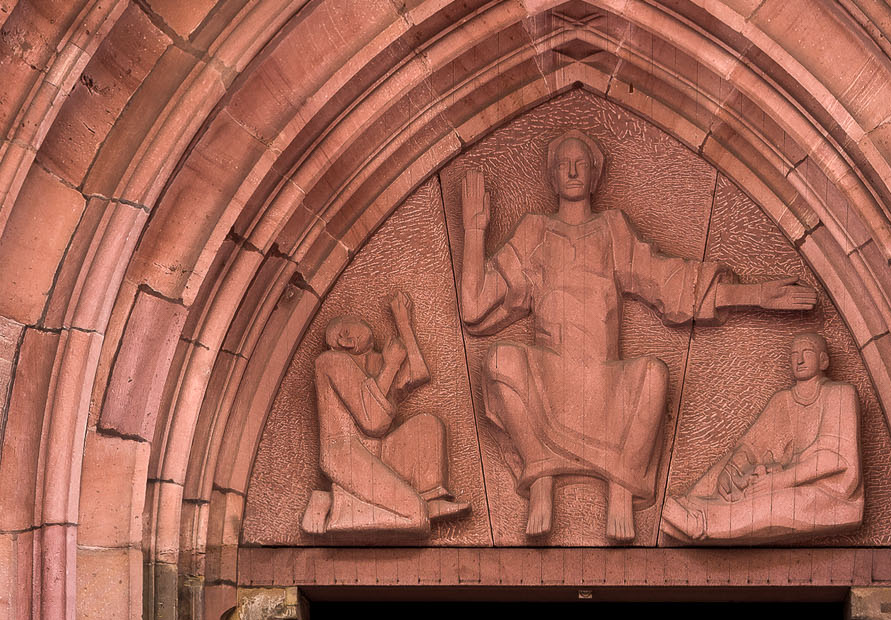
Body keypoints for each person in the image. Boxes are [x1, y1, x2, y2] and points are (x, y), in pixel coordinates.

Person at [457, 129, 814, 542]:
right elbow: (473, 305)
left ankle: (621, 488)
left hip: (607, 383)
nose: (572, 171)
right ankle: (541, 475)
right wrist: (474, 231)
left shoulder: (612, 229)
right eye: (562, 165)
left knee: (655, 374)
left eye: (581, 164)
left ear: (595, 176)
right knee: (499, 360)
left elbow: (668, 282)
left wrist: (753, 294)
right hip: (549, 378)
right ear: (551, 177)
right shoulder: (534, 232)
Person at [663, 330, 865, 544]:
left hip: (827, 492)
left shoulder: (840, 393)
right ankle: (692, 504)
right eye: (794, 354)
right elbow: (753, 447)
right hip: (777, 479)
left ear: (823, 361)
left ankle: (700, 524)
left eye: (808, 352)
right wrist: (731, 471)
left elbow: (833, 457)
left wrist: (780, 480)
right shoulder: (782, 400)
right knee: (730, 469)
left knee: (777, 504)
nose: (800, 359)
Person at [303, 296, 465, 541]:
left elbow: (419, 373)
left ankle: (431, 496)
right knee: (416, 516)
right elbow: (372, 421)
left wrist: (403, 323)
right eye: (356, 322)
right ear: (345, 338)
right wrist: (390, 366)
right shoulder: (332, 361)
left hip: (380, 451)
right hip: (346, 452)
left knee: (426, 425)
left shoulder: (377, 361)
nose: (364, 323)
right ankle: (333, 502)